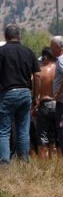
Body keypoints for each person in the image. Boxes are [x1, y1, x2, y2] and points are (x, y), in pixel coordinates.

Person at [0, 24, 41, 165]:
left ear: (6, 36)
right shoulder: (28, 52)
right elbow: (37, 75)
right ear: (19, 36)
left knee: (3, 130)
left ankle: (4, 162)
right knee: (23, 130)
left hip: (7, 93)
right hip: (25, 93)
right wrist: (36, 96)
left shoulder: (1, 51)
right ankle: (24, 161)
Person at [34, 48, 58, 158]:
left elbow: (36, 89)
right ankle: (58, 162)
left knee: (43, 135)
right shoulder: (60, 70)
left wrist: (35, 101)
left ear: (45, 57)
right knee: (57, 135)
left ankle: (43, 163)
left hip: (44, 103)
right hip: (58, 103)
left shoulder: (41, 71)